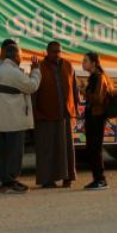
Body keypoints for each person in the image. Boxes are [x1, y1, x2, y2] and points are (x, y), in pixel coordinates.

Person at [0, 39, 41, 194]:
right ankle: (12, 181)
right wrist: (36, 70)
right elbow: (31, 86)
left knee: (3, 152)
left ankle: (3, 182)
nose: (21, 59)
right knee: (14, 152)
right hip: (13, 120)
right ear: (15, 57)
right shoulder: (13, 72)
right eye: (20, 56)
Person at [32, 41, 80, 188]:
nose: (57, 54)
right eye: (53, 51)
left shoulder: (68, 66)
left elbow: (75, 89)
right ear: (47, 52)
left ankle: (68, 178)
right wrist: (34, 113)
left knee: (67, 149)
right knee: (47, 148)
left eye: (59, 51)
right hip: (45, 113)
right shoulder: (40, 67)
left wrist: (75, 110)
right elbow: (33, 91)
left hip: (65, 114)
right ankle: (47, 180)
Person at [81, 51, 115, 190]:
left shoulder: (99, 78)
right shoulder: (93, 77)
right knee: (91, 148)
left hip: (97, 116)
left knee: (95, 148)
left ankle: (100, 179)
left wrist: (83, 91)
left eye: (85, 60)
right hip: (92, 116)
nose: (83, 63)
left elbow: (97, 99)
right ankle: (97, 178)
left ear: (94, 63)